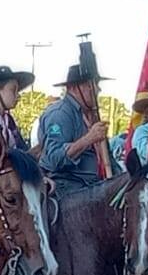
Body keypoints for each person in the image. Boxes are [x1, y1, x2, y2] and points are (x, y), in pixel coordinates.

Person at [36, 64, 113, 194]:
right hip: (68, 186)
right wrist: (89, 139)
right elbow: (54, 158)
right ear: (73, 88)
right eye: (91, 85)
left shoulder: (90, 115)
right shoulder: (60, 113)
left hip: (94, 185)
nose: (97, 89)